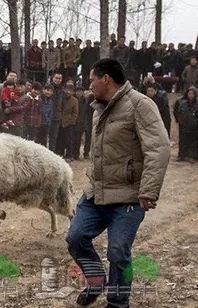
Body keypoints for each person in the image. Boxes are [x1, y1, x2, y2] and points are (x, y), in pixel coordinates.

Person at [66, 59, 170, 308]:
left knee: (118, 252)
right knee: (76, 237)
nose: (89, 84)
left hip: (128, 197)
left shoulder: (140, 105)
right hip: (96, 194)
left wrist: (148, 190)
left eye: (91, 79)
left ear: (106, 79)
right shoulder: (97, 107)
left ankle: (118, 302)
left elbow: (159, 149)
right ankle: (96, 279)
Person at [173, 87, 198, 161]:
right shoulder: (182, 103)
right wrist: (179, 120)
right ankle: (181, 155)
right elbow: (177, 112)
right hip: (183, 125)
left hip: (194, 126)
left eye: (192, 94)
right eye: (189, 93)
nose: (191, 95)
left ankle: (191, 156)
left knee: (192, 141)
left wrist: (195, 122)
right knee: (182, 141)